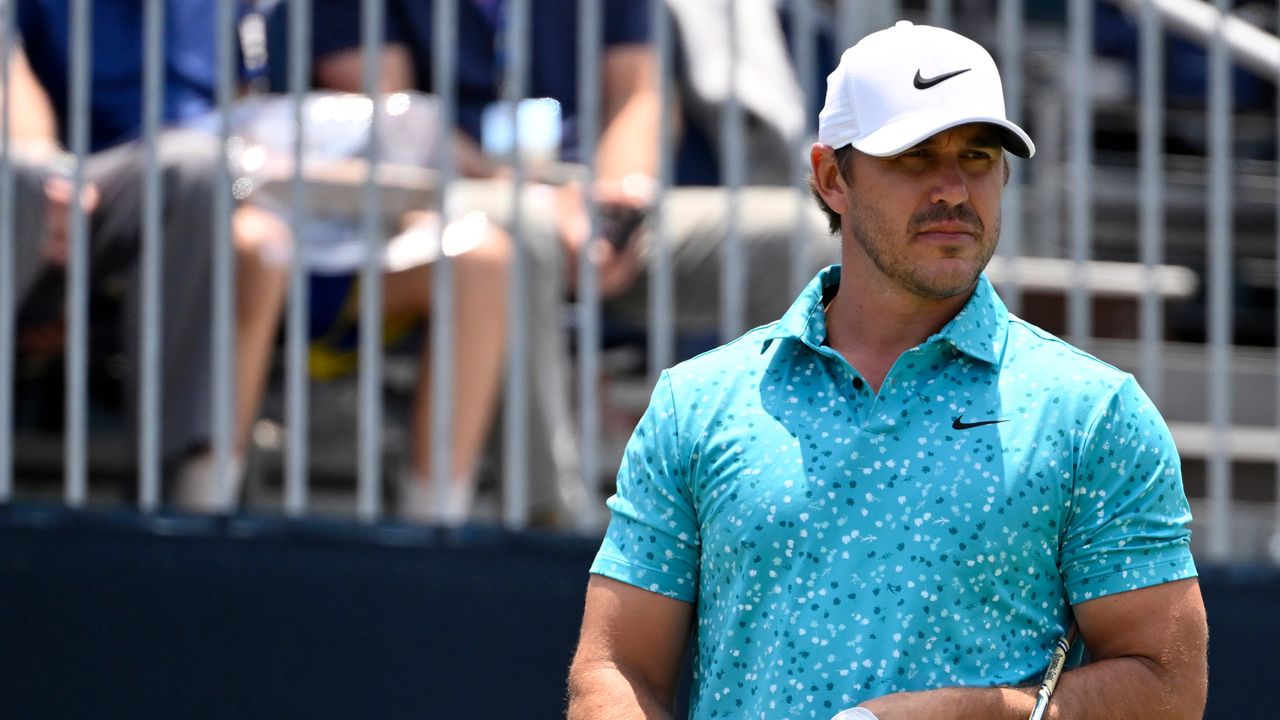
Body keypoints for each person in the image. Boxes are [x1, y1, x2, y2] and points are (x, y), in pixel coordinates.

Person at [567, 21, 1207, 720]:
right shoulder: (698, 402)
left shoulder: (1093, 413)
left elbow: (1165, 685)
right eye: (914, 157)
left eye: (978, 155)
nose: (954, 189)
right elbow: (617, 668)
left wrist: (974, 716)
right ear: (830, 178)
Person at [5, 0, 290, 509]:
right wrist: (47, 169)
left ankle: (173, 503)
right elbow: (12, 71)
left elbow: (250, 106)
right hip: (63, 177)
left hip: (178, 189)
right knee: (21, 185)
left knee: (200, 174)